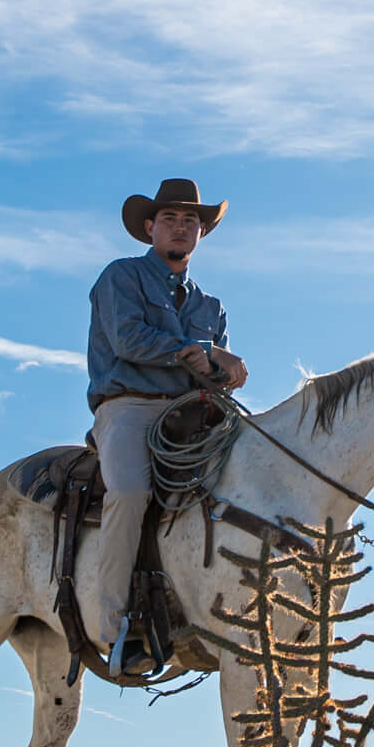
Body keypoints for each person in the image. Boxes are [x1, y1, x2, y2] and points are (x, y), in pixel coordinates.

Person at [84, 177, 249, 677]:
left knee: (253, 479)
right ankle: (112, 630)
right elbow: (130, 340)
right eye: (171, 219)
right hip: (129, 405)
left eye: (191, 221)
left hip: (194, 411)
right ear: (150, 228)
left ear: (201, 234)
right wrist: (199, 354)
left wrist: (229, 372)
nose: (181, 228)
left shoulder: (211, 307)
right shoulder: (121, 277)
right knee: (131, 492)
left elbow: (214, 375)